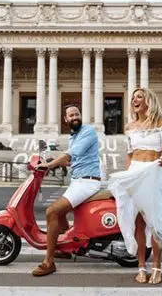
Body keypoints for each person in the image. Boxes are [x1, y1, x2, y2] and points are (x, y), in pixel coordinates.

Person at [107, 87, 162, 285]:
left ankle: (157, 267)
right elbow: (129, 153)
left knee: (155, 221)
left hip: (153, 171)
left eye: (139, 97)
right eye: (133, 97)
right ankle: (141, 267)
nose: (135, 100)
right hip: (134, 171)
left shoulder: (161, 122)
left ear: (148, 101)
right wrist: (126, 176)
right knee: (138, 223)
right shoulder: (130, 126)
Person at [31, 104, 102, 277]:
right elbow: (71, 160)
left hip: (87, 181)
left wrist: (49, 164)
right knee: (60, 213)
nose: (74, 117)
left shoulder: (88, 131)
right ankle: (65, 247)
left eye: (77, 114)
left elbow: (71, 154)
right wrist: (49, 161)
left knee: (52, 212)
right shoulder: (73, 137)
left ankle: (48, 262)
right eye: (71, 115)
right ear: (65, 119)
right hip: (78, 181)